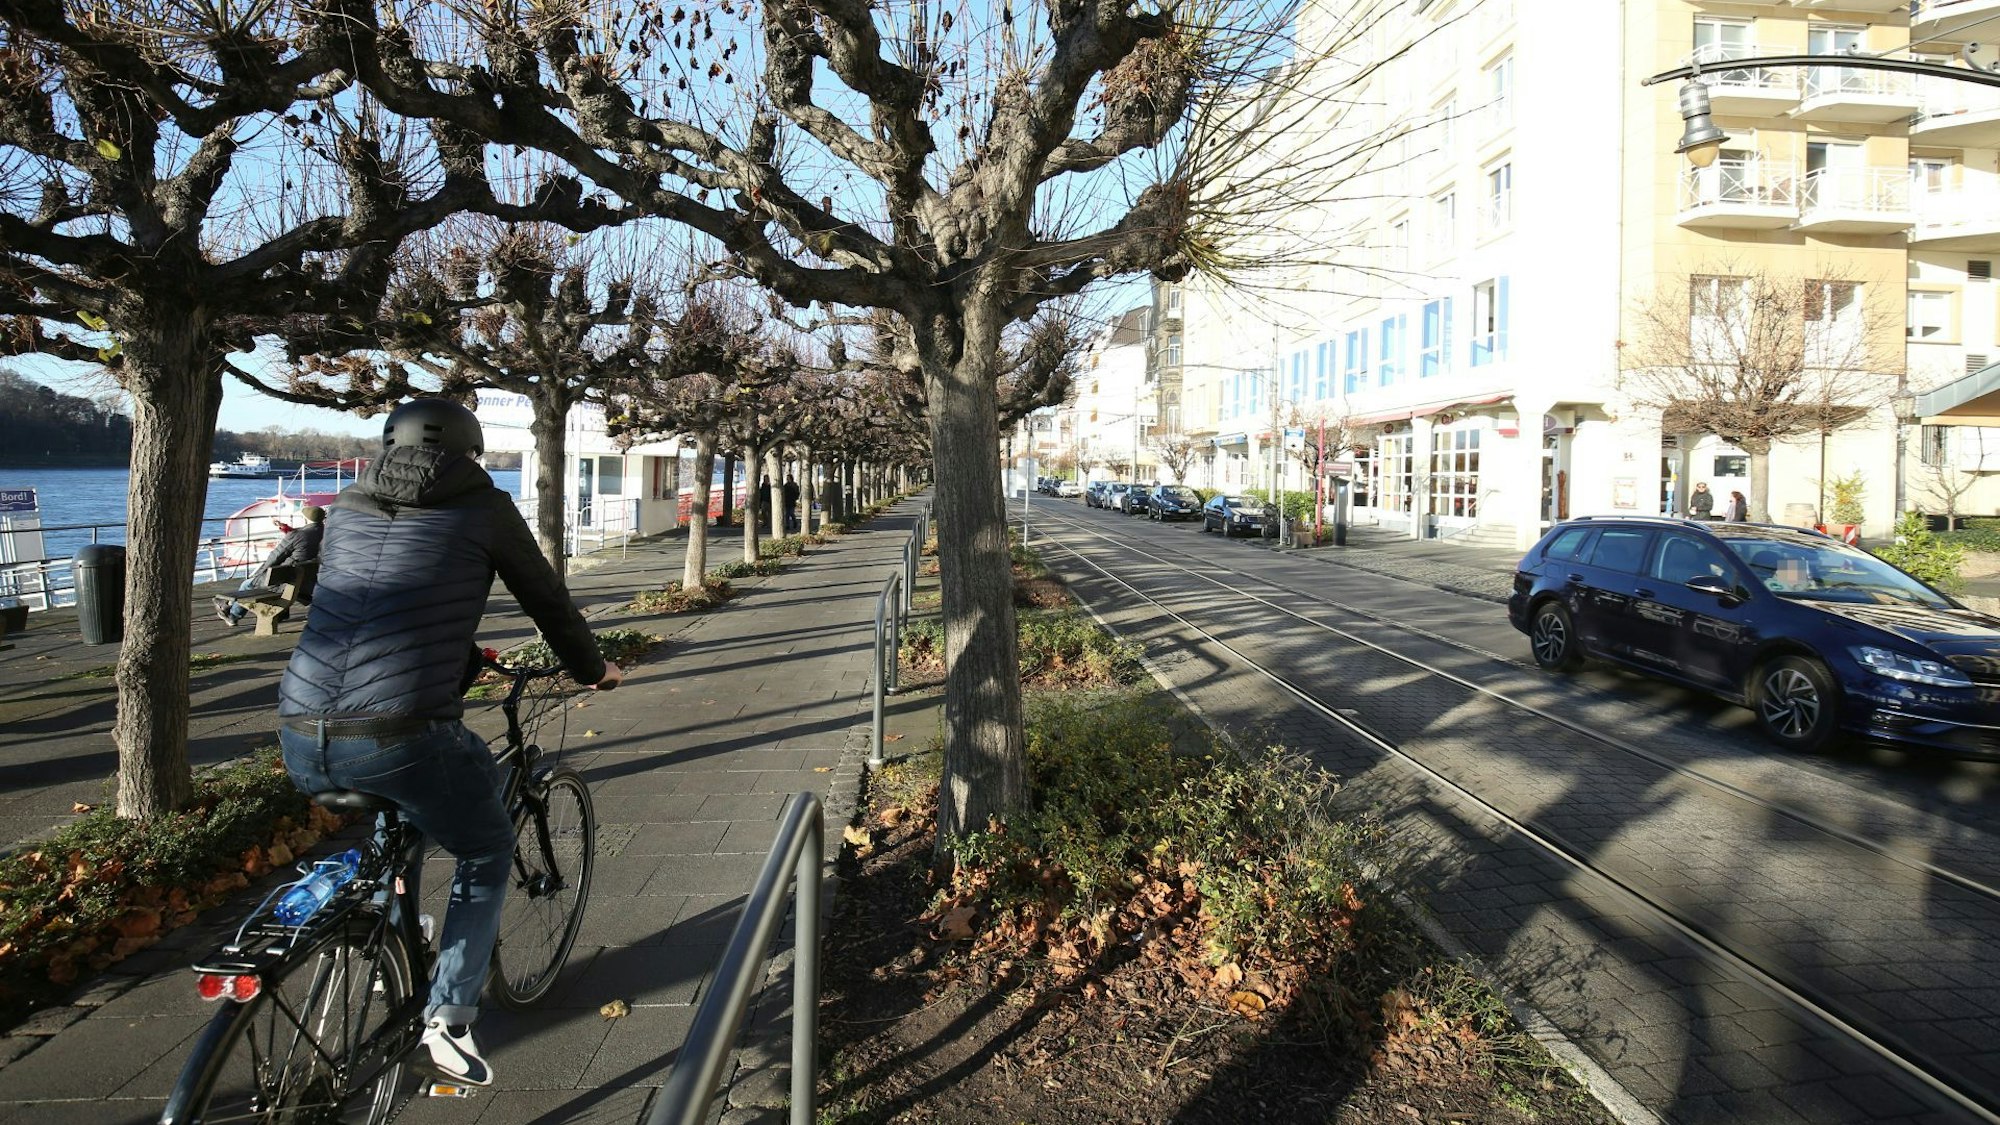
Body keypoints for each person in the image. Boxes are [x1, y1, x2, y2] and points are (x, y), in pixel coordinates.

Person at [274, 399, 622, 1086]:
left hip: (299, 725)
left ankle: (385, 923)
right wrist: (593, 669)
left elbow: (378, 605)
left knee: (410, 796)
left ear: (387, 444)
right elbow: (548, 602)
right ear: (470, 452)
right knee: (486, 844)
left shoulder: (347, 504)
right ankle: (451, 1017)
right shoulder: (484, 507)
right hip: (401, 729)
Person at [214, 505, 326, 626]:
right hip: (309, 582)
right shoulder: (327, 533)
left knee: (247, 584)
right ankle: (281, 613)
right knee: (284, 576)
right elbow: (305, 540)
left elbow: (275, 557)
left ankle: (233, 615)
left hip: (287, 581)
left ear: (306, 519)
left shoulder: (297, 535)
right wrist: (285, 528)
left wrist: (259, 574)